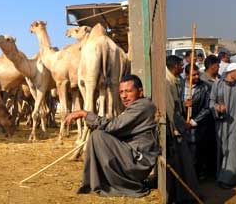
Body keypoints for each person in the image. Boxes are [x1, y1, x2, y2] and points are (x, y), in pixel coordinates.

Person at [66, 75, 160, 197]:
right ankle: (100, 180)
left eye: (128, 91)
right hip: (133, 157)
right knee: (98, 135)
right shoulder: (137, 106)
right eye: (121, 92)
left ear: (140, 91)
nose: (124, 96)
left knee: (98, 136)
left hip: (138, 162)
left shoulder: (142, 106)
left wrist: (85, 114)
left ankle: (112, 183)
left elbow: (112, 126)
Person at [165, 55, 200, 203]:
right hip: (174, 131)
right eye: (181, 65)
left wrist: (184, 105)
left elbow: (176, 106)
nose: (182, 67)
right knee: (180, 165)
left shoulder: (174, 80)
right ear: (174, 67)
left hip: (178, 129)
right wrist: (181, 126)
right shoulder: (167, 83)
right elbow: (171, 110)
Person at [210, 63, 236, 188]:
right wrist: (217, 107)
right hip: (222, 123)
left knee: (235, 149)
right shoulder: (218, 84)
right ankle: (221, 176)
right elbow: (211, 101)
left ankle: (229, 179)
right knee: (223, 149)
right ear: (230, 72)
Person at [182, 64, 216, 180]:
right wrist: (184, 106)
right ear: (186, 75)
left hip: (199, 125)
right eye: (193, 75)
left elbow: (207, 107)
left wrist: (194, 121)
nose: (197, 77)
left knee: (198, 151)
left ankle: (199, 175)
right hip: (182, 124)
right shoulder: (180, 86)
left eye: (198, 74)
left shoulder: (205, 87)